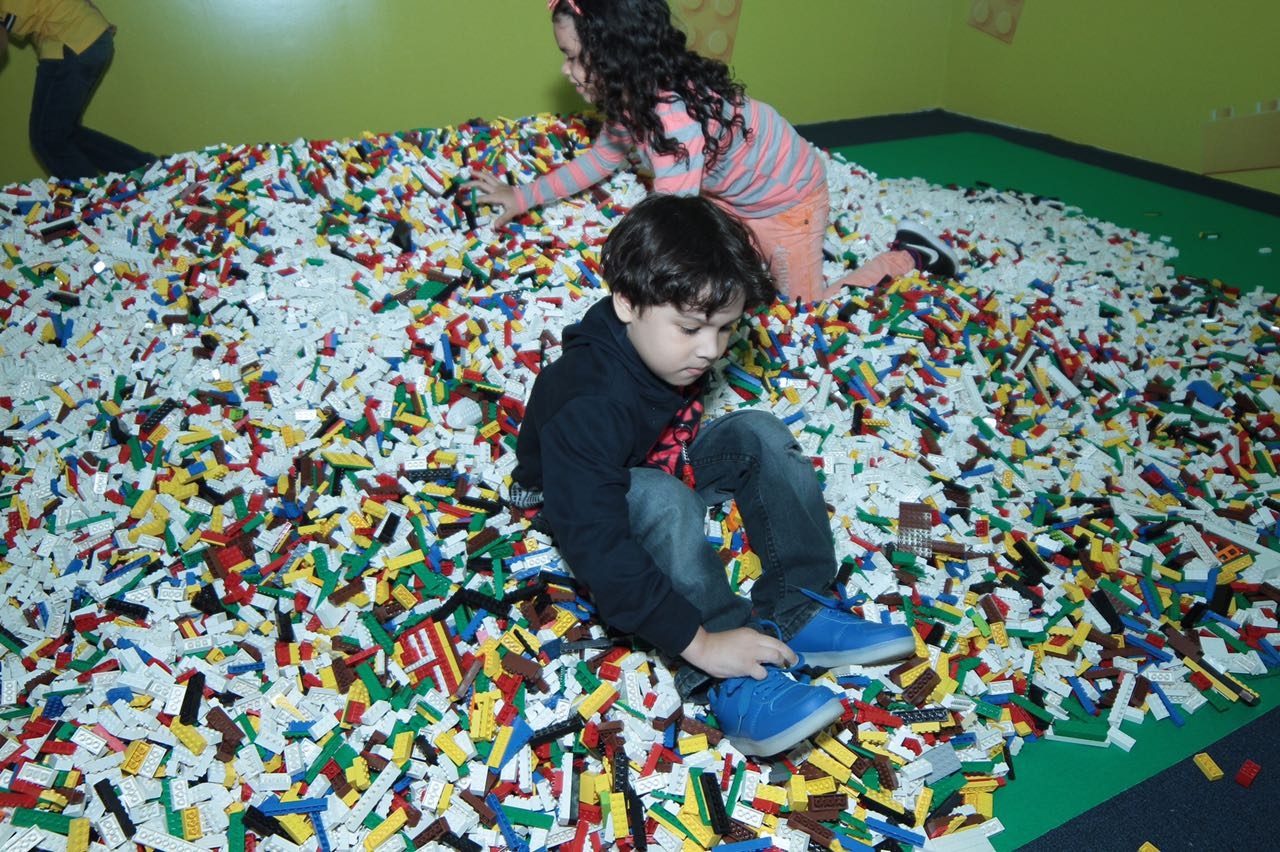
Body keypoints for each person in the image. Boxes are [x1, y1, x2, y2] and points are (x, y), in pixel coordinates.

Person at [507, 194, 916, 756]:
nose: (709, 350)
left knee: (759, 434)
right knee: (663, 498)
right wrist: (697, 644)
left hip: (652, 454)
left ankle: (797, 607)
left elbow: (678, 418)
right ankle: (726, 667)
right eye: (691, 328)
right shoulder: (590, 401)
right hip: (569, 493)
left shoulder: (661, 339)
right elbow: (596, 540)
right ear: (627, 302)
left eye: (725, 329)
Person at [464, 0, 956, 304]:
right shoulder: (633, 94)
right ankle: (786, 253)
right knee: (742, 281)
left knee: (805, 309)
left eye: (573, 58)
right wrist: (522, 196)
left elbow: (672, 223)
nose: (566, 71)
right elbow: (601, 159)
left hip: (788, 201)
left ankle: (910, 255)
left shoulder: (673, 123)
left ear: (616, 57)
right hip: (729, 199)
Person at [0, 0, 153, 181]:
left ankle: (93, 195)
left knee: (49, 138)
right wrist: (96, 22)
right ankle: (148, 170)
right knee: (64, 133)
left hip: (69, 42)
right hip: (87, 36)